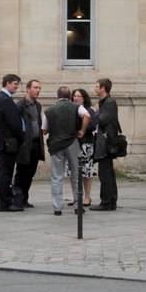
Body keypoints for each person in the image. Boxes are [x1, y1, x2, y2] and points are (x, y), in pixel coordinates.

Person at [43, 86, 84, 216]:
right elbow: (87, 115)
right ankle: (78, 206)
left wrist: (52, 129)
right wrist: (82, 130)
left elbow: (44, 130)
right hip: (72, 142)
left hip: (56, 144)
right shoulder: (76, 107)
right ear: (69, 96)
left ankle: (57, 208)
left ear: (57, 95)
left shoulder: (49, 110)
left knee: (57, 176)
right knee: (76, 174)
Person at [0, 74, 25, 213]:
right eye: (15, 84)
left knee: (1, 171)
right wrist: (22, 137)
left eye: (17, 84)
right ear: (7, 83)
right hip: (8, 142)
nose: (17, 87)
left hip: (3, 141)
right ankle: (5, 202)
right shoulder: (5, 100)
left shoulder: (2, 98)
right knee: (6, 172)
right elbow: (14, 124)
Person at [12, 79, 45, 209]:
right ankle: (18, 198)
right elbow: (16, 125)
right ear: (27, 89)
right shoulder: (20, 105)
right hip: (25, 144)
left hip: (36, 143)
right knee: (21, 173)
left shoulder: (38, 105)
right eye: (35, 87)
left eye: (39, 88)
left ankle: (25, 198)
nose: (38, 90)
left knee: (31, 173)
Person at [92, 77, 122, 211]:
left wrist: (95, 111)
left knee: (105, 172)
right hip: (104, 141)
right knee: (106, 171)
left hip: (107, 142)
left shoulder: (109, 102)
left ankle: (107, 202)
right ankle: (110, 200)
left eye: (97, 86)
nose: (95, 88)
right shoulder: (105, 102)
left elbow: (102, 120)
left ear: (103, 88)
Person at [72, 86, 98, 208]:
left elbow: (92, 126)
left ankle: (87, 196)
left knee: (86, 173)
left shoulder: (89, 111)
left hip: (86, 144)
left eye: (79, 96)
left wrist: (81, 128)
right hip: (74, 144)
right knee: (74, 172)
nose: (76, 98)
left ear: (84, 98)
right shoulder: (71, 109)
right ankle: (76, 197)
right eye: (74, 95)